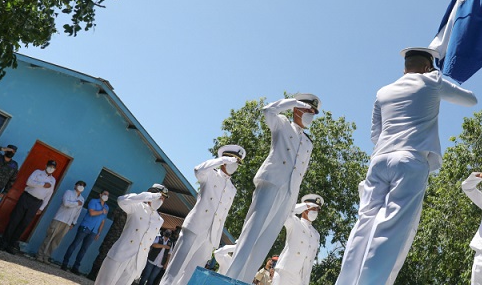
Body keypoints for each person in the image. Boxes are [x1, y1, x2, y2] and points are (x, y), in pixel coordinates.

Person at [336, 47, 478, 285]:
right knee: (390, 230)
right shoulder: (432, 83)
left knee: (363, 225)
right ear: (427, 67)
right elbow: (471, 100)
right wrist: (436, 76)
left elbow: (375, 134)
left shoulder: (383, 92)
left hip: (379, 159)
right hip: (410, 159)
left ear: (404, 67)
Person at [226, 94, 320, 283]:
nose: (311, 115)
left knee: (264, 243)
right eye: (308, 110)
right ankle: (228, 279)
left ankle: (241, 281)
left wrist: (294, 198)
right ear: (297, 109)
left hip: (289, 193)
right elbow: (267, 110)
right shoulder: (283, 124)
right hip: (271, 182)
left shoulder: (308, 143)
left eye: (313, 113)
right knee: (251, 234)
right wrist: (292, 102)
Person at [160, 145, 246, 285]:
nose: (234, 164)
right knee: (175, 270)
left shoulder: (232, 189)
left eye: (237, 162)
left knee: (192, 274)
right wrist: (221, 160)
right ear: (224, 159)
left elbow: (222, 215)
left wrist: (215, 240)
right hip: (196, 227)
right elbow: (198, 169)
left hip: (210, 236)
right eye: (232, 160)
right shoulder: (210, 175)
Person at [94, 183, 167, 285]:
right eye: (159, 197)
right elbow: (121, 200)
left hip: (136, 261)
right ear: (151, 194)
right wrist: (146, 196)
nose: (161, 200)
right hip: (121, 254)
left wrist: (141, 266)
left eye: (163, 199)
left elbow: (147, 243)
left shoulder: (159, 220)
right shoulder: (137, 207)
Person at [0, 160, 57, 253]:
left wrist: (41, 208)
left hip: (36, 203)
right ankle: (3, 243)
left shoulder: (53, 180)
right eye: (50, 166)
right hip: (26, 198)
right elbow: (29, 182)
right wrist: (42, 185)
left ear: (55, 169)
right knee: (15, 220)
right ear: (46, 165)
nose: (51, 168)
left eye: (53, 167)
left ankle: (11, 245)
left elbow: (49, 194)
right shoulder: (37, 172)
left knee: (24, 224)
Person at [272, 194, 322, 285]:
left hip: (302, 278)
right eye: (312, 208)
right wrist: (305, 205)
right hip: (286, 272)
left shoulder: (316, 234)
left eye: (317, 209)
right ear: (304, 209)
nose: (315, 211)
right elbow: (284, 213)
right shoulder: (295, 222)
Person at [36, 180, 86, 263]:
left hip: (68, 223)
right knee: (50, 237)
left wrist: (73, 223)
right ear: (75, 186)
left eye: (83, 186)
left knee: (56, 241)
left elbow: (78, 212)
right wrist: (76, 203)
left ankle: (46, 256)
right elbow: (66, 203)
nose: (81, 186)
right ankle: (40, 254)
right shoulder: (69, 192)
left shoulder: (82, 199)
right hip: (59, 219)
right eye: (80, 184)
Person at [62, 189, 110, 274]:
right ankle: (65, 263)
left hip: (94, 231)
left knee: (84, 249)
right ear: (100, 194)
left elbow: (103, 221)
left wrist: (99, 233)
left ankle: (75, 267)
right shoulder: (93, 201)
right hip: (85, 226)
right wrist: (101, 211)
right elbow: (92, 213)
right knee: (75, 244)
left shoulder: (107, 207)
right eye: (104, 194)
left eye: (107, 195)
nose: (106, 196)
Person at [88, 207, 128, 280]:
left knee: (111, 260)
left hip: (119, 241)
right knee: (102, 255)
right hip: (111, 237)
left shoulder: (131, 215)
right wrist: (123, 209)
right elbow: (113, 214)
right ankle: (93, 273)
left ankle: (100, 276)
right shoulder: (121, 210)